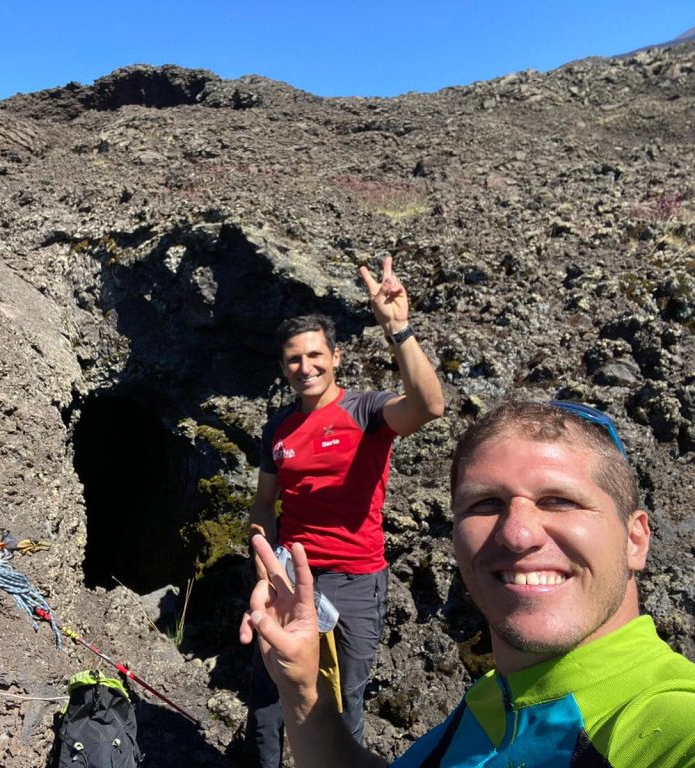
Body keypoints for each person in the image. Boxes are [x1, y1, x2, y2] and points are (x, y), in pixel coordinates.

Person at [241, 401, 695, 767]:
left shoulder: (671, 726)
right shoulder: (491, 700)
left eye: (559, 501)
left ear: (636, 539)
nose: (518, 534)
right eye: (486, 504)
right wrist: (303, 685)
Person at [246, 255, 445, 766]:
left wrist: (399, 329)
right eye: (293, 359)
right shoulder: (278, 430)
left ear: (335, 357)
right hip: (292, 579)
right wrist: (266, 567)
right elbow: (264, 506)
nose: (305, 367)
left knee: (343, 699)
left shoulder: (366, 411)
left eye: (315, 355)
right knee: (269, 699)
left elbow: (428, 406)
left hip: (356, 581)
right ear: (283, 367)